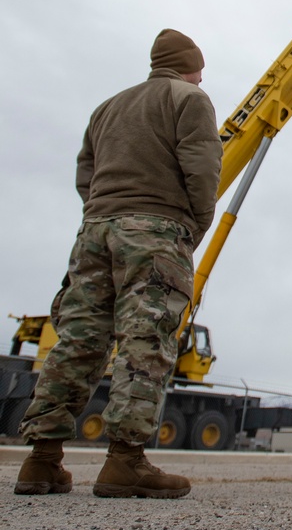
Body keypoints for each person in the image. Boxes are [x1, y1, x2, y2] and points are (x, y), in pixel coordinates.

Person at [15, 30, 222, 499]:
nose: (202, 76)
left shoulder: (107, 107)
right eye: (200, 68)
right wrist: (193, 224)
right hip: (154, 230)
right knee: (144, 341)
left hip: (95, 233)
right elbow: (204, 167)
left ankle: (42, 460)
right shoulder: (189, 99)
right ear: (188, 66)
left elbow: (85, 172)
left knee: (79, 339)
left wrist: (102, 213)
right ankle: (125, 461)